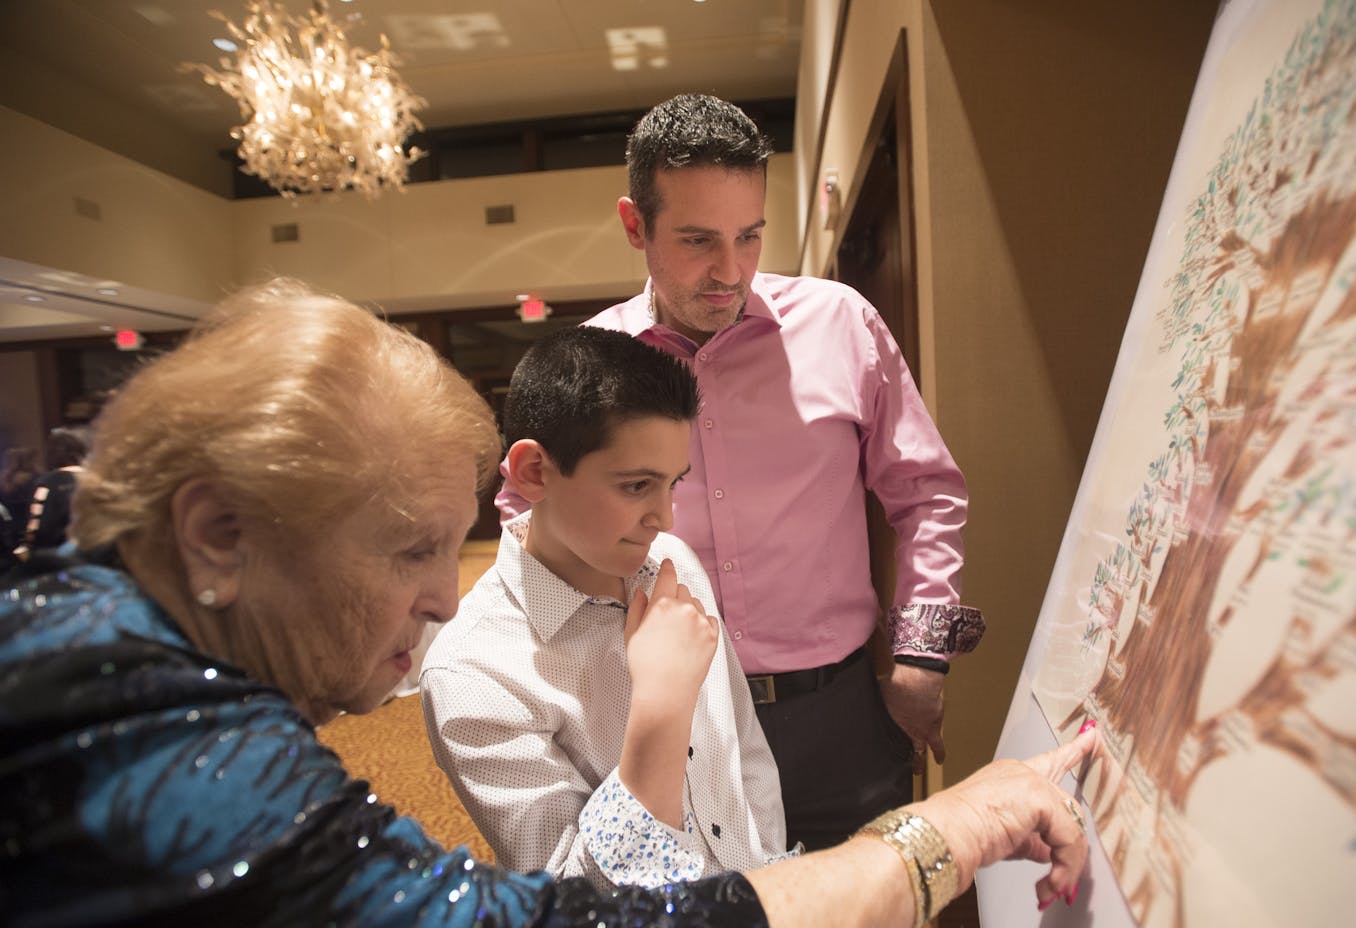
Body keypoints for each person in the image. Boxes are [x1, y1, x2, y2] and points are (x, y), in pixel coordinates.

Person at [0, 277, 1097, 927]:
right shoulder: (163, 747)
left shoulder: (71, 559)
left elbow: (746, 787)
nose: (442, 595)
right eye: (409, 552)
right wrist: (940, 827)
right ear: (217, 535)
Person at [496, 93, 980, 851]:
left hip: (838, 719)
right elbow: (524, 529)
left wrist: (922, 660)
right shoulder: (588, 365)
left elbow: (926, 493)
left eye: (749, 236)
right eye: (696, 241)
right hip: (673, 723)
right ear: (635, 225)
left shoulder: (841, 324)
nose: (731, 272)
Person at [422, 327, 792, 891]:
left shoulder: (673, 561)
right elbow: (576, 897)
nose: (664, 518)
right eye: (637, 485)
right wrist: (661, 708)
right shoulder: (472, 673)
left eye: (673, 484)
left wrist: (767, 879)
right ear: (532, 473)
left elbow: (744, 751)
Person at [14, 425, 90, 559]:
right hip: (95, 554)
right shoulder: (96, 479)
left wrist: (26, 547)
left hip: (56, 558)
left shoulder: (46, 483)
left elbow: (37, 526)